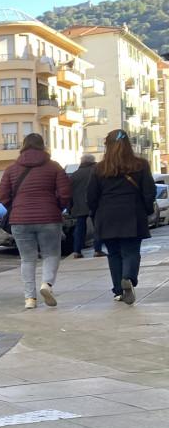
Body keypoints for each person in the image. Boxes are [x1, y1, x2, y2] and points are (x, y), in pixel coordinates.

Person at [0, 133, 71, 310]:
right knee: (51, 254)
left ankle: (30, 298)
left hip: (20, 220)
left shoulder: (11, 169)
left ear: (23, 146)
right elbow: (65, 193)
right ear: (42, 146)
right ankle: (47, 284)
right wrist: (56, 207)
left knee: (27, 259)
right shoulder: (54, 167)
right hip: (49, 218)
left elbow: (2, 194)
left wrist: (16, 208)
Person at [87, 129, 156, 304]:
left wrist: (95, 214)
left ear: (108, 146)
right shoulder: (140, 165)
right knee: (131, 251)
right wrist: (147, 210)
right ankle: (128, 278)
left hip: (107, 215)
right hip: (132, 213)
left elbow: (91, 196)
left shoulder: (99, 168)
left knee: (114, 254)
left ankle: (118, 290)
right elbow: (149, 191)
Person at [68, 153, 101, 258]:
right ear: (93, 161)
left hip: (79, 205)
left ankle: (77, 251)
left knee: (80, 228)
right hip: (95, 204)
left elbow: (69, 193)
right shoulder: (97, 172)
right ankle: (97, 250)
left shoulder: (74, 175)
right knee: (97, 227)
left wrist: (70, 207)